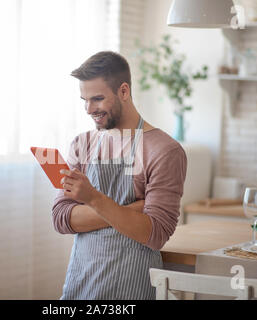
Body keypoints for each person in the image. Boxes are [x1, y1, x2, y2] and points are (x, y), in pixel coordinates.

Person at [52, 51, 187, 300]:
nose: (89, 109)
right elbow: (61, 219)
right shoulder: (82, 145)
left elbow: (155, 234)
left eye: (98, 99)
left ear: (124, 91)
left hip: (132, 288)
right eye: (84, 100)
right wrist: (133, 209)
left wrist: (93, 199)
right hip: (80, 287)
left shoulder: (165, 150)